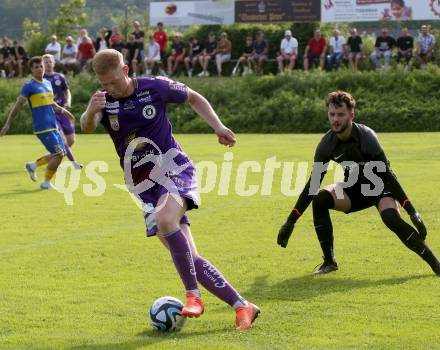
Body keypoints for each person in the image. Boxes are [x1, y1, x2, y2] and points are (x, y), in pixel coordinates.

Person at [80, 49, 260, 330]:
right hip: (143, 187)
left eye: (114, 81)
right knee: (188, 255)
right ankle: (242, 306)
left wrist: (219, 127)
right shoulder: (104, 101)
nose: (110, 88)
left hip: (173, 168)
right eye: (104, 84)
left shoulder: (155, 86)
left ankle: (194, 296)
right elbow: (87, 126)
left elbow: (194, 97)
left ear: (125, 70)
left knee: (166, 220)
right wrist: (91, 110)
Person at [277, 91, 440, 277]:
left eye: (340, 115)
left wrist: (412, 211)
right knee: (320, 198)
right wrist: (290, 222)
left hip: (380, 187)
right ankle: (330, 262)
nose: (335, 120)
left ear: (351, 115)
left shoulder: (367, 137)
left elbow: (388, 176)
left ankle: (435, 264)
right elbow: (312, 185)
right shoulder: (326, 144)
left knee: (390, 218)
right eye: (332, 114)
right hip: (354, 190)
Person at [0, 56, 76, 190]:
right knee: (58, 154)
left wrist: (64, 111)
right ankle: (46, 182)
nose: (40, 69)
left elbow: (51, 103)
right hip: (42, 127)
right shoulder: (29, 86)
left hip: (53, 125)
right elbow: (17, 106)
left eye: (41, 66)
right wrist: (7, 124)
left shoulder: (47, 83)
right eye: (36, 67)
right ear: (31, 70)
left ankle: (33, 166)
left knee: (61, 153)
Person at [42, 54, 82, 169]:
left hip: (63, 112)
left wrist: (68, 102)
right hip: (51, 114)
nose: (48, 64)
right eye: (46, 62)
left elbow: (67, 91)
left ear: (53, 63)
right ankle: (74, 163)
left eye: (50, 61)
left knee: (70, 140)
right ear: (43, 64)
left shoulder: (60, 77)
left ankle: (36, 164)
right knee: (62, 141)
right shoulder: (41, 80)